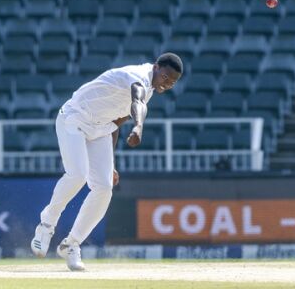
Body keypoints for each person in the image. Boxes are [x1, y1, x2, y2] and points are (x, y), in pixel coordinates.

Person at [31, 53, 183, 271]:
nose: (166, 84)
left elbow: (116, 123)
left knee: (104, 187)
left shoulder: (150, 87)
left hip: (100, 128)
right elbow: (137, 101)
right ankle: (46, 225)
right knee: (78, 174)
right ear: (156, 67)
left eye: (172, 82)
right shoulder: (137, 76)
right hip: (74, 117)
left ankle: (71, 244)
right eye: (166, 77)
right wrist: (139, 126)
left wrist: (110, 162)